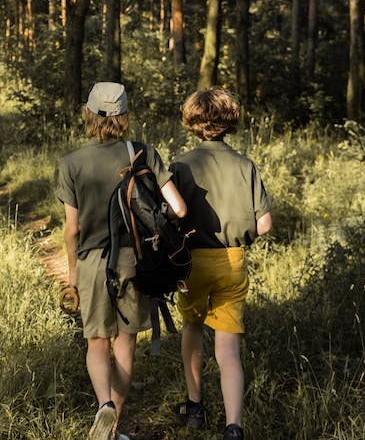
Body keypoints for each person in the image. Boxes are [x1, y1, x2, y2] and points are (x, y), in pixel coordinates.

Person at [56, 82, 187, 440]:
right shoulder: (143, 153)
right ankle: (113, 431)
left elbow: (71, 230)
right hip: (135, 261)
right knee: (125, 342)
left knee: (96, 342)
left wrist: (72, 274)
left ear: (89, 114)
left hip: (91, 263)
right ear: (125, 115)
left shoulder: (71, 164)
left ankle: (104, 406)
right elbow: (179, 208)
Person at [169, 88, 273, 440]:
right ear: (229, 121)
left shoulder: (181, 165)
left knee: (192, 329)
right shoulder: (245, 166)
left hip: (192, 261)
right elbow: (264, 225)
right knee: (228, 349)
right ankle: (233, 426)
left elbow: (170, 215)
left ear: (192, 121)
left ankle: (194, 406)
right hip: (232, 261)